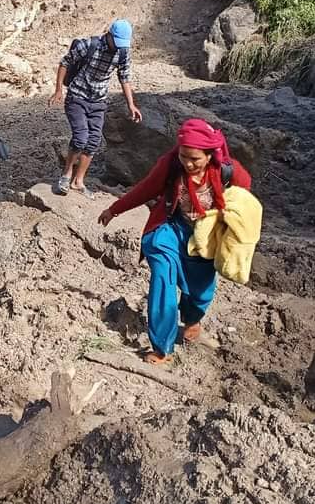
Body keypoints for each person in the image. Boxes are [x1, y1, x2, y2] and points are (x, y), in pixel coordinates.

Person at [97, 118, 252, 365]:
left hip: (205, 237)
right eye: (183, 157)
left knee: (200, 290)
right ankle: (162, 347)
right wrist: (115, 209)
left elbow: (245, 195)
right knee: (163, 277)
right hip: (171, 228)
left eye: (195, 159)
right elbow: (146, 188)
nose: (188, 163)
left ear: (210, 155)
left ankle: (192, 321)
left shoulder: (228, 171)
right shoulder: (170, 165)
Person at [48, 19, 142, 197]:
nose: (120, 47)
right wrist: (59, 90)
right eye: (118, 42)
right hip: (77, 96)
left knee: (93, 141)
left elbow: (125, 77)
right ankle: (66, 175)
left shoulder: (123, 53)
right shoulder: (89, 45)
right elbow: (65, 63)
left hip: (99, 101)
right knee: (80, 137)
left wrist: (131, 104)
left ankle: (78, 181)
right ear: (109, 35)